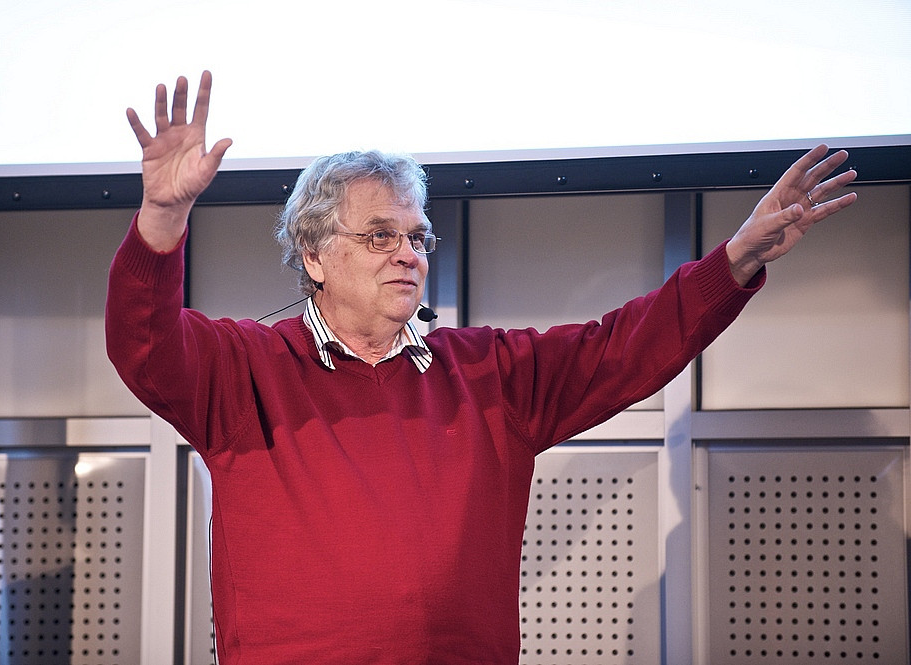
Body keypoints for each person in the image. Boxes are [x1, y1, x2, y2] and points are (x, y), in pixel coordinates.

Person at [105, 71, 857, 664]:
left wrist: (737, 259)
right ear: (314, 256)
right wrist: (163, 218)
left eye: (417, 237)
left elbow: (626, 348)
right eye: (379, 236)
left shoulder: (490, 375)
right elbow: (143, 342)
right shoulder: (244, 371)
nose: (408, 254)